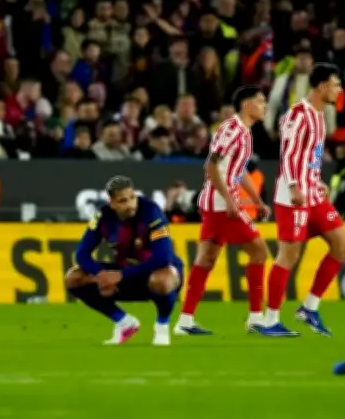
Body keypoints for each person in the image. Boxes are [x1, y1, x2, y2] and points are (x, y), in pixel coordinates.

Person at [174, 86, 272, 336]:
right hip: (220, 204)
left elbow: (239, 171)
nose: (265, 106)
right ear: (247, 105)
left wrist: (257, 200)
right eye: (260, 101)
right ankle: (255, 318)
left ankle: (185, 320)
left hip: (217, 202)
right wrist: (230, 200)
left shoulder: (245, 132)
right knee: (259, 252)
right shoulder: (231, 129)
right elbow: (211, 166)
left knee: (206, 259)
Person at [264, 63, 345, 337]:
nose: (339, 90)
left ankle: (309, 308)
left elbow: (308, 155)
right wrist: (294, 185)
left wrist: (316, 179)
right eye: (336, 85)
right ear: (322, 86)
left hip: (312, 193)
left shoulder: (319, 115)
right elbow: (289, 153)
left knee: (342, 246)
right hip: (294, 196)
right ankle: (269, 320)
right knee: (289, 255)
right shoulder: (298, 114)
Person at [65, 176, 183, 346]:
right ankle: (124, 322)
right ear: (112, 203)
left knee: (162, 279)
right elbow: (81, 254)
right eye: (122, 201)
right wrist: (101, 275)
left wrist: (120, 275)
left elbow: (163, 258)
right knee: (74, 278)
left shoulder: (151, 212)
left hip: (156, 274)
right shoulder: (103, 217)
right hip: (126, 274)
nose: (130, 204)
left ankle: (162, 326)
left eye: (132, 197)